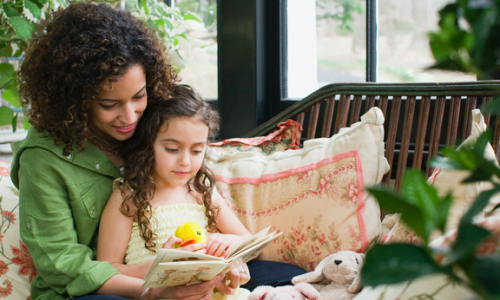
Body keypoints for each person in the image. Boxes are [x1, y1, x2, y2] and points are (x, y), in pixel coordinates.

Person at [11, 3, 225, 300]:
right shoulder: (42, 159)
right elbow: (63, 265)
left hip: (172, 273)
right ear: (76, 99)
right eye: (109, 105)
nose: (129, 117)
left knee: (276, 275)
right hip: (90, 292)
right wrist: (153, 289)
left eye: (139, 96)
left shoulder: (152, 126)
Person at [97, 84, 252, 300]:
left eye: (197, 150)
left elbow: (247, 239)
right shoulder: (128, 196)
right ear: (147, 144)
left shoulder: (200, 190)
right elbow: (105, 271)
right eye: (172, 149)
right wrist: (158, 267)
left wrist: (232, 248)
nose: (185, 162)